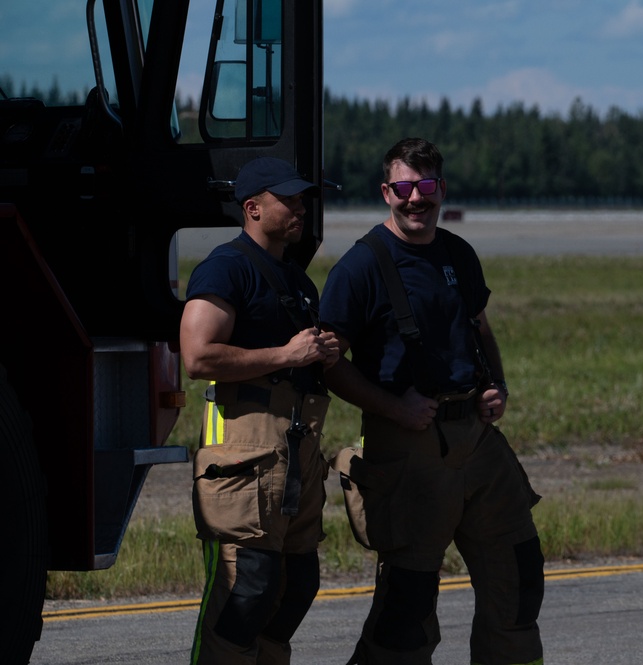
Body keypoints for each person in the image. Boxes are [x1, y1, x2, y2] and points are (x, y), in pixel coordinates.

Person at [318, 137, 545, 665]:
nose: (415, 199)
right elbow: (326, 361)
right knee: (407, 609)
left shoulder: (458, 254)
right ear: (385, 193)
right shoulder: (359, 268)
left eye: (425, 187)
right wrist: (393, 408)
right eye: (403, 187)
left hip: (478, 444)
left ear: (440, 189)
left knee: (520, 575)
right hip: (409, 450)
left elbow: (480, 327)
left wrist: (497, 387)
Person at [180, 156, 340, 664]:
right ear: (252, 208)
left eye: (302, 200)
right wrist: (286, 355)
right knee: (247, 589)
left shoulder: (297, 281)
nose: (300, 209)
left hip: (297, 449)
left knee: (296, 586)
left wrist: (321, 356)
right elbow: (197, 355)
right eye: (287, 200)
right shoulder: (226, 268)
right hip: (246, 451)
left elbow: (301, 358)